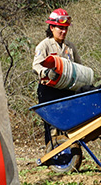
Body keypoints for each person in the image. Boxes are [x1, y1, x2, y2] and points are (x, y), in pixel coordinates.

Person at [32, 8, 83, 147]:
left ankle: (68, 152)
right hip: (49, 91)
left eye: (65, 28)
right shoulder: (44, 45)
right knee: (51, 125)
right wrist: (47, 73)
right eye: (60, 28)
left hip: (67, 90)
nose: (63, 31)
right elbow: (36, 66)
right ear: (51, 27)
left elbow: (79, 66)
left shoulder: (70, 47)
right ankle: (52, 154)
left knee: (67, 123)